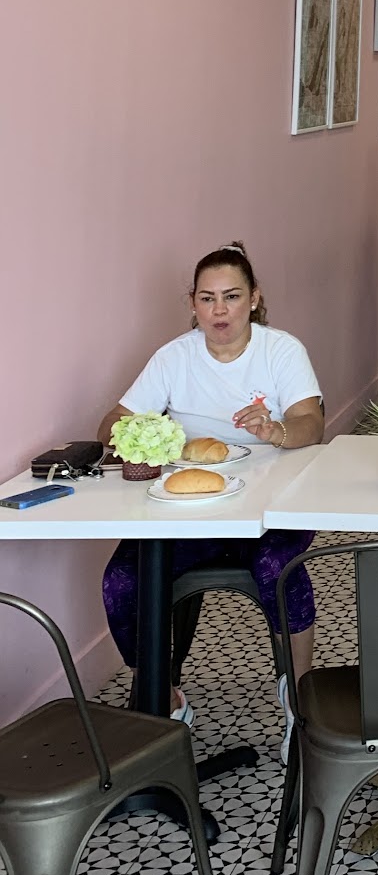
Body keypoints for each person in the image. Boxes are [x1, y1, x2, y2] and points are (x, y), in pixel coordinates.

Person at [98, 242, 324, 757]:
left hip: (273, 506)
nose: (219, 310)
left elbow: (311, 423)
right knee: (123, 581)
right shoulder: (173, 357)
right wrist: (146, 437)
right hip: (192, 511)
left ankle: (299, 702)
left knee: (278, 568)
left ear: (254, 298)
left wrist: (276, 431)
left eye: (232, 296)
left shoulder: (281, 350)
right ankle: (165, 699)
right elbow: (111, 423)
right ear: (193, 304)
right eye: (207, 298)